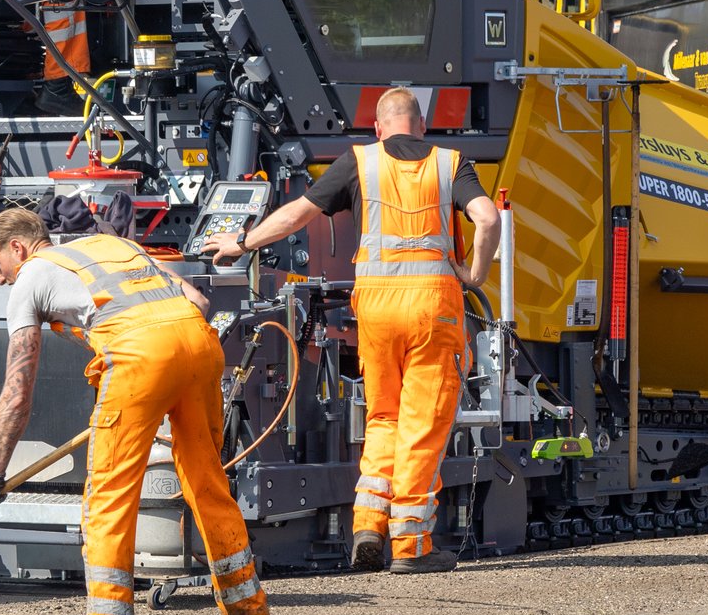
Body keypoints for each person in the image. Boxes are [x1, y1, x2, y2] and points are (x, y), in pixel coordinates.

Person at [0, 207, 274, 615]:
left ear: (19, 249)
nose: (1, 279)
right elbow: (196, 298)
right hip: (199, 346)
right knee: (208, 484)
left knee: (107, 502)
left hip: (139, 357)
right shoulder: (113, 247)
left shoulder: (31, 278)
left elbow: (18, 389)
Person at [208, 88, 499, 573]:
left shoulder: (359, 161)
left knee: (383, 417)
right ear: (420, 125)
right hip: (434, 309)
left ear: (379, 128)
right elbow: (487, 217)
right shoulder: (450, 163)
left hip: (378, 309)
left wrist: (242, 242)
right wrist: (476, 273)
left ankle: (367, 524)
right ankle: (411, 545)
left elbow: (297, 213)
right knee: (422, 424)